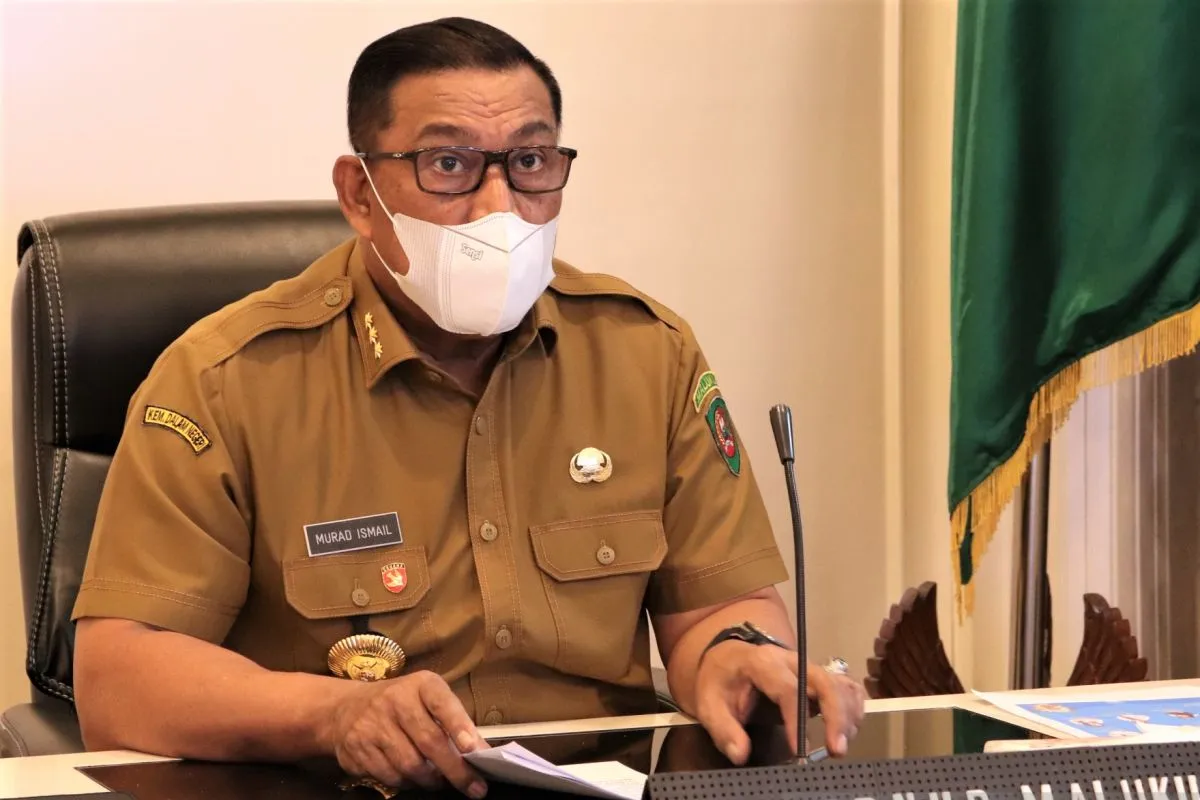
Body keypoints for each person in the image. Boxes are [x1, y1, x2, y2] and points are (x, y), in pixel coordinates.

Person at [70, 16, 866, 798]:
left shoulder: (645, 354)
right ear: (360, 193)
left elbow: (721, 605)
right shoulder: (225, 378)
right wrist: (334, 714)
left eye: (529, 161)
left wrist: (737, 655)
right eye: (448, 164)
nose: (499, 207)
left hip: (600, 786)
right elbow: (120, 679)